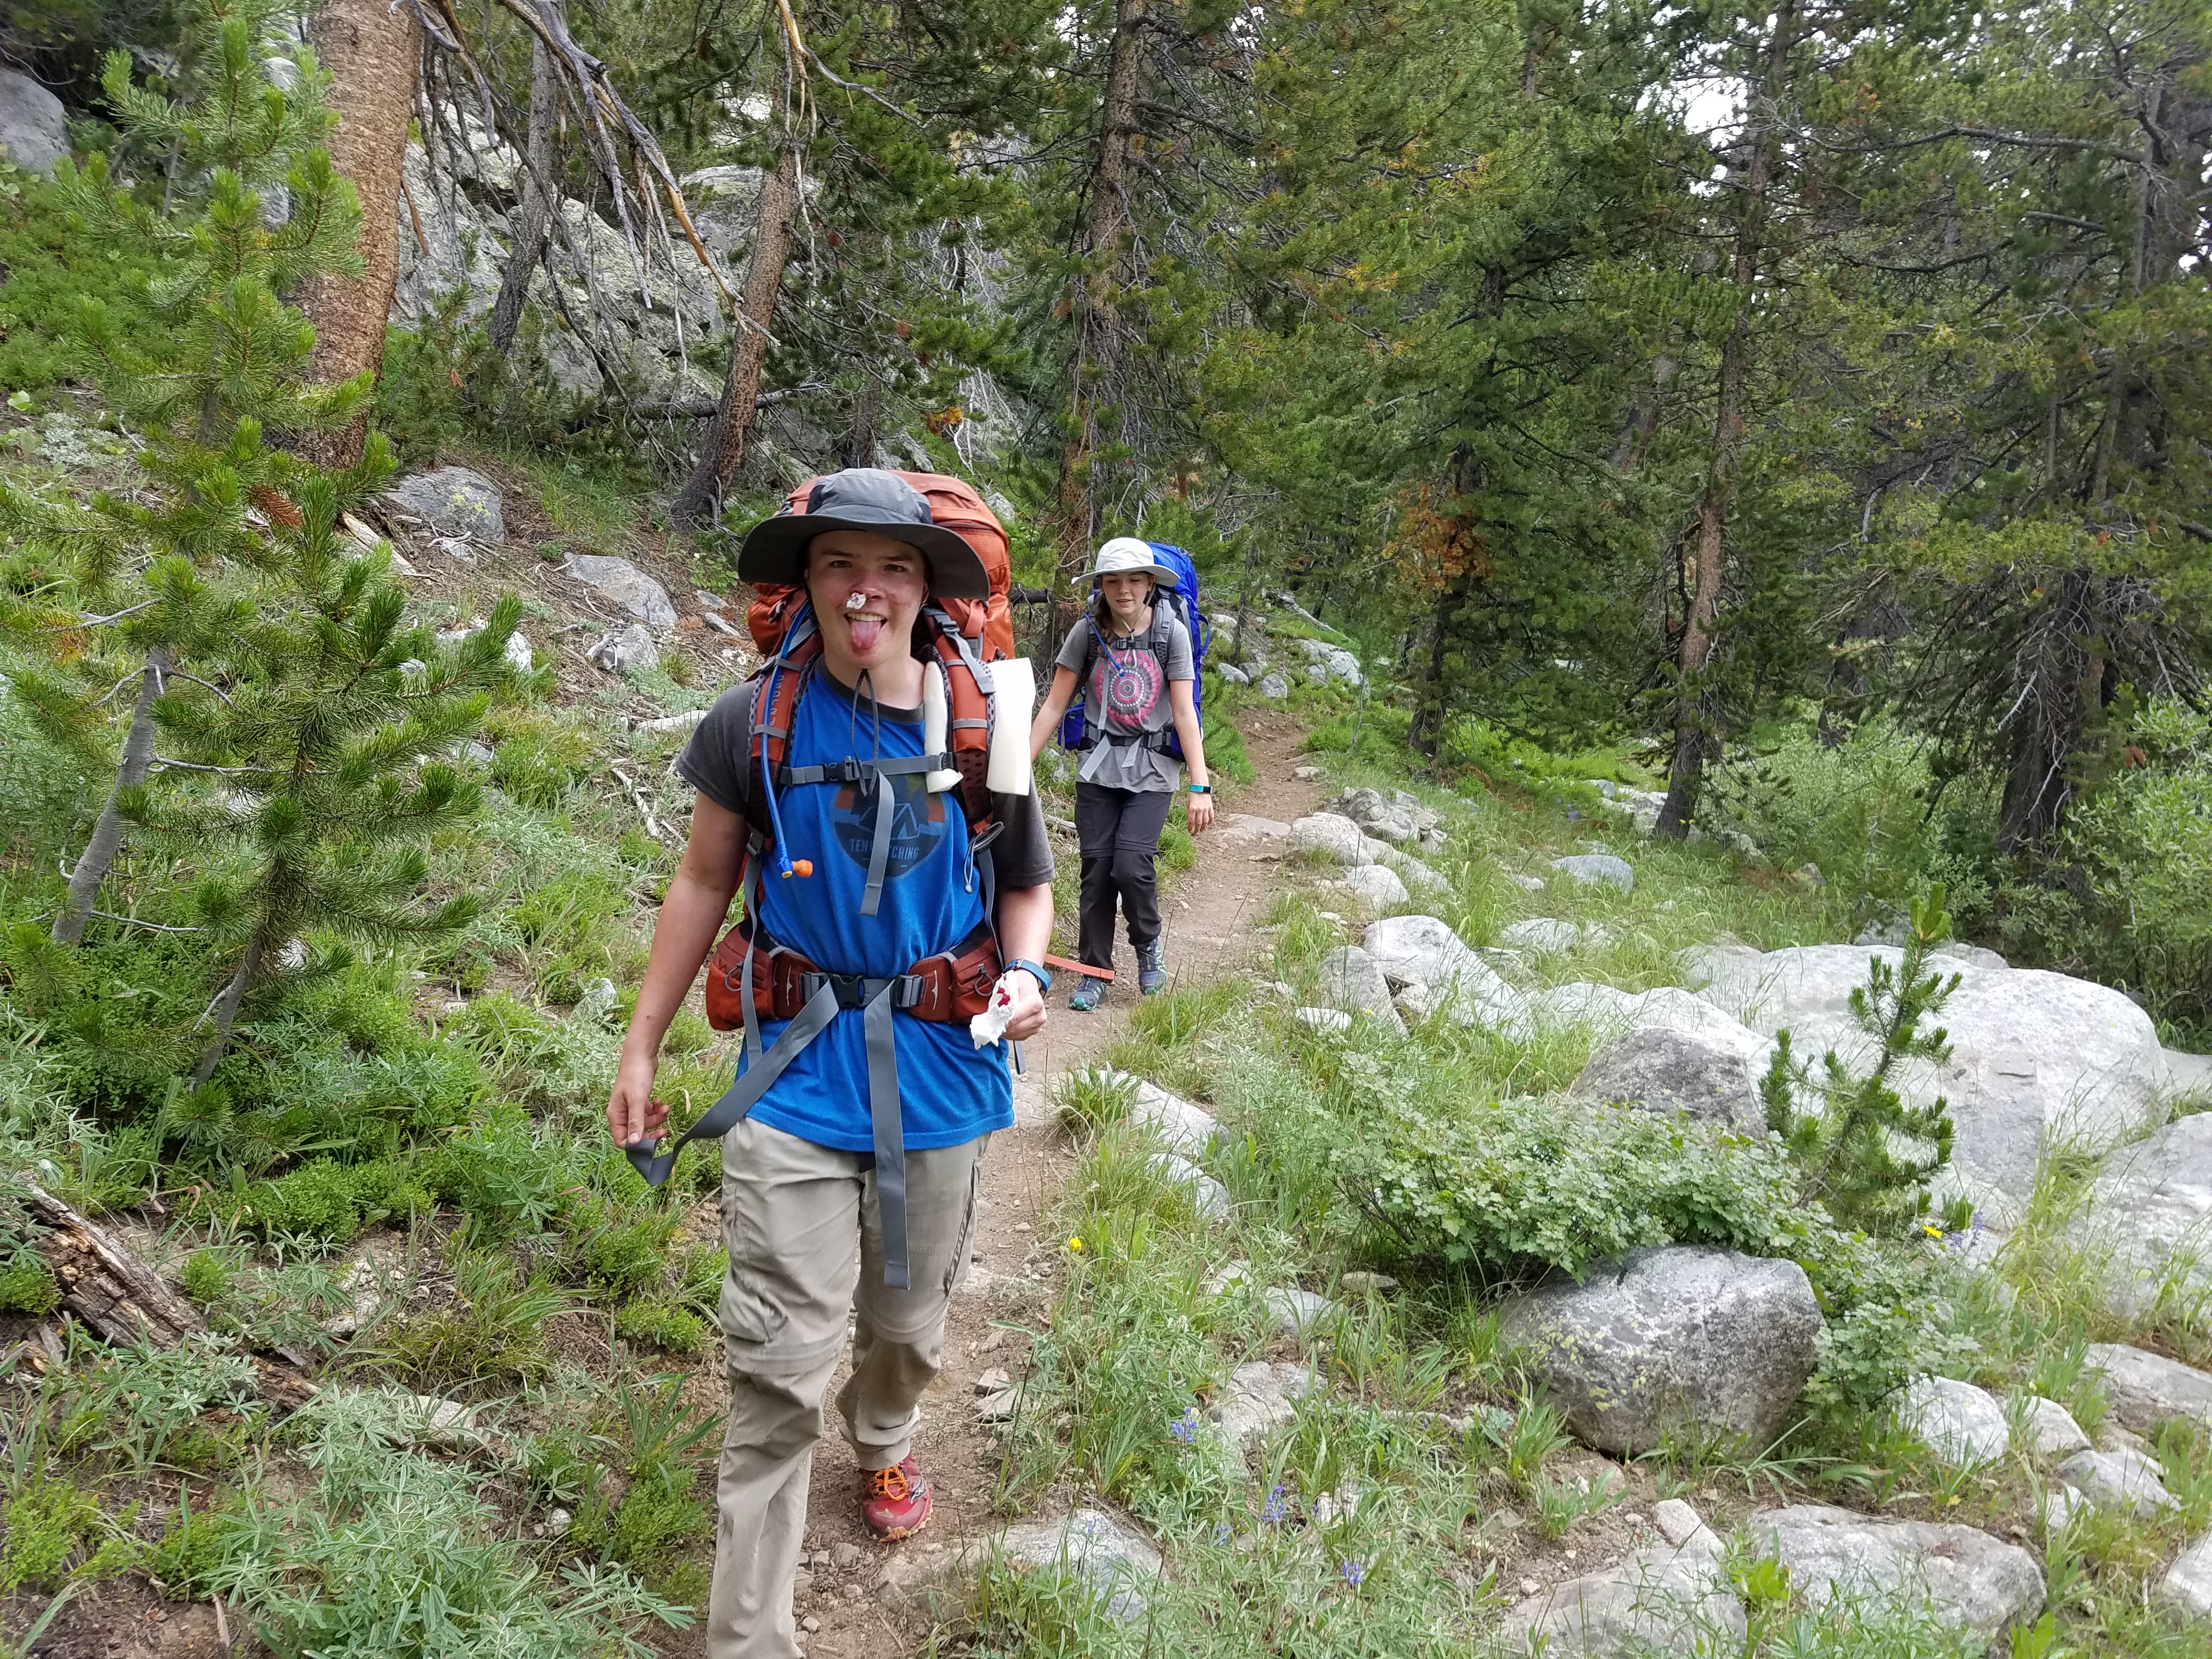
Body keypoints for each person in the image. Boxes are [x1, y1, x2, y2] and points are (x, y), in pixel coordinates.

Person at [604, 469, 1054, 1659]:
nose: (868, 590)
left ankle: (888, 1433)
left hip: (945, 1075)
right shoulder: (751, 722)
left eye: (894, 567)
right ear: (804, 582)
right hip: (795, 1080)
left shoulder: (981, 720)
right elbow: (704, 879)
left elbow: (1026, 885)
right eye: (840, 564)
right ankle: (749, 1638)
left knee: (906, 1331)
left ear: (926, 586)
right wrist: (642, 1044)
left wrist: (1026, 975)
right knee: (776, 1375)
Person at [1028, 537, 1212, 1008]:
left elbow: (1186, 712)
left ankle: (1147, 946)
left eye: (1134, 579)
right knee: (1096, 874)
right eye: (1113, 580)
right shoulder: (1088, 633)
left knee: (1131, 867)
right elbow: (1054, 705)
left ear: (1151, 584)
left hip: (1153, 768)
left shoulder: (1171, 633)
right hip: (1098, 766)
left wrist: (1200, 783)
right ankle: (1094, 970)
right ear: (1101, 585)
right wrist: (1015, 769)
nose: (1124, 589)